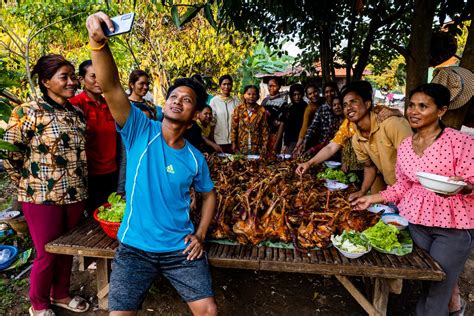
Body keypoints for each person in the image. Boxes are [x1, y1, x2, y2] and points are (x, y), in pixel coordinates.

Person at [86, 12, 217, 316]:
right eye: (173, 96)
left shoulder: (195, 159)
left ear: (195, 113)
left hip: (179, 249)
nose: (177, 101)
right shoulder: (138, 131)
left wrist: (200, 234)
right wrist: (97, 43)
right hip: (134, 249)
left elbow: (209, 194)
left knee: (208, 310)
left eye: (186, 100)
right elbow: (111, 87)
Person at [352, 83, 474, 316]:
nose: (413, 111)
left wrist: (465, 186)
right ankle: (453, 307)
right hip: (415, 223)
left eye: (423, 106)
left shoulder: (460, 142)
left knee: (438, 289)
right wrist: (372, 198)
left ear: (441, 111)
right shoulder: (406, 145)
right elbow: (402, 186)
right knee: (426, 281)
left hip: (453, 227)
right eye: (411, 105)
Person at [4, 54, 89, 315]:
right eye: (64, 77)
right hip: (40, 197)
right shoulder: (29, 111)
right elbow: (9, 151)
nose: (72, 82)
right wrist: (27, 183)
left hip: (75, 193)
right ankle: (38, 303)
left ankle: (61, 294)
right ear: (46, 81)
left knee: (66, 250)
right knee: (46, 253)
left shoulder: (76, 112)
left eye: (73, 76)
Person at [69, 60, 118, 213]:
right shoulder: (75, 105)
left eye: (101, 76)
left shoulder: (111, 104)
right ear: (82, 80)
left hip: (112, 172)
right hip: (89, 175)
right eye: (93, 76)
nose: (99, 81)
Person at [231, 85, 269, 155]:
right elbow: (234, 128)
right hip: (241, 146)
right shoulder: (238, 109)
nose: (251, 96)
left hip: (257, 147)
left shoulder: (261, 110)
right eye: (249, 94)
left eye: (254, 94)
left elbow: (264, 129)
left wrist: (265, 145)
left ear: (257, 96)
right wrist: (233, 143)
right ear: (244, 95)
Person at [209, 74, 240, 153]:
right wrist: (213, 141)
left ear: (232, 85)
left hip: (234, 142)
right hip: (219, 141)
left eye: (229, 84)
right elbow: (212, 122)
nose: (226, 87)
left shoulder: (236, 101)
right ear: (220, 86)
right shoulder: (214, 101)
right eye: (224, 84)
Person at [262, 76, 288, 154]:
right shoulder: (265, 101)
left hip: (275, 136)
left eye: (274, 86)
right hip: (263, 136)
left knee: (272, 159)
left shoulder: (282, 103)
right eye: (270, 86)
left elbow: (282, 124)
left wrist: (276, 143)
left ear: (279, 87)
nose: (271, 88)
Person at [280, 84, 307, 154]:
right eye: (294, 95)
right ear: (291, 96)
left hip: (304, 140)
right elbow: (287, 127)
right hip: (291, 141)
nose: (297, 97)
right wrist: (285, 144)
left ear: (302, 95)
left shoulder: (306, 108)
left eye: (299, 94)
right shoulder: (289, 108)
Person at [293, 82, 321, 153]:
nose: (313, 95)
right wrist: (297, 145)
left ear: (318, 91)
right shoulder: (309, 109)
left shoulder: (325, 101)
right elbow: (304, 127)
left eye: (315, 92)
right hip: (316, 137)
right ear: (307, 96)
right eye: (310, 94)